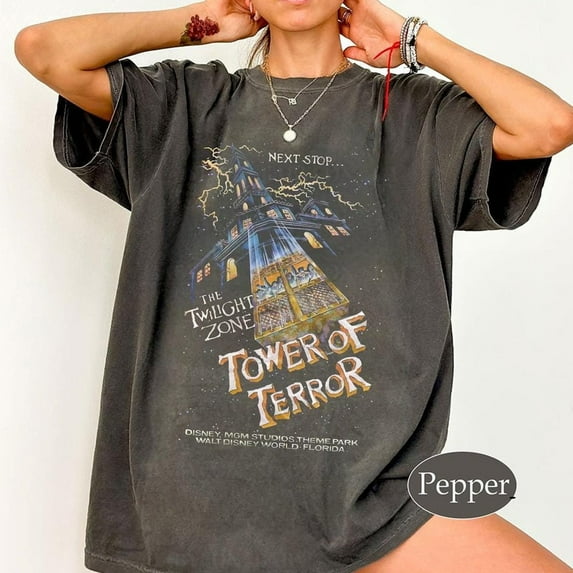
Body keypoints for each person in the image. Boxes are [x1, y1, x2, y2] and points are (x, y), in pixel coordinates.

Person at [13, 1, 573, 572]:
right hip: (198, 503)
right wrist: (205, 22)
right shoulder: (183, 103)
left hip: (372, 499)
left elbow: (549, 126)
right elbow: (44, 50)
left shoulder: (417, 112)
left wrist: (411, 39)